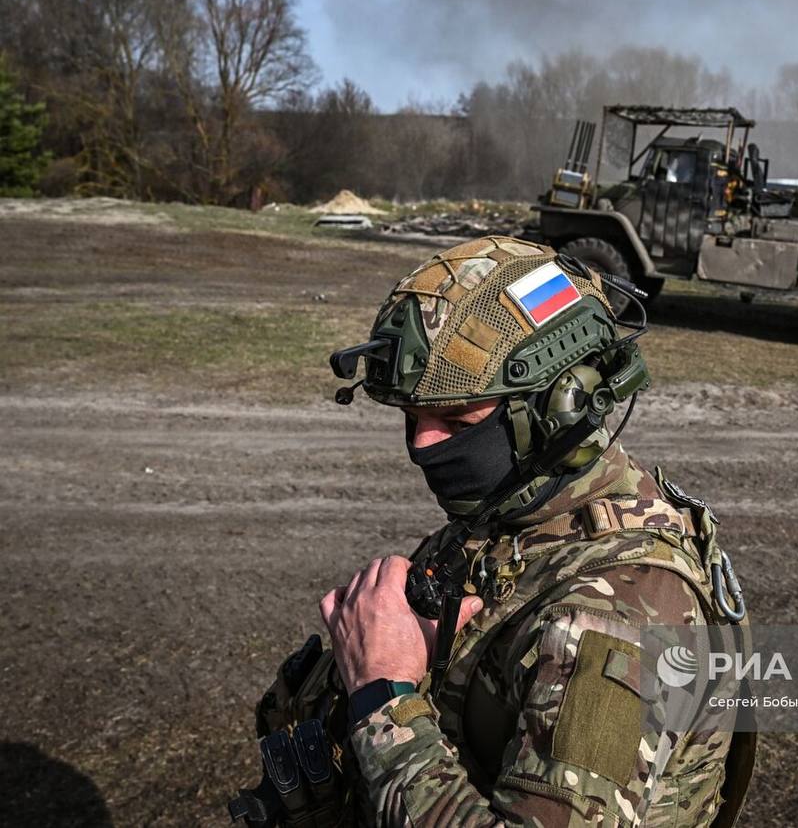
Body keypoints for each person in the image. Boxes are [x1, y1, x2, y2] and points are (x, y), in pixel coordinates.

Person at [231, 236, 753, 828]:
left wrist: (383, 693)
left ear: (563, 408)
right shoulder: (519, 515)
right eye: (411, 418)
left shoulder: (623, 615)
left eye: (455, 420)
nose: (421, 446)